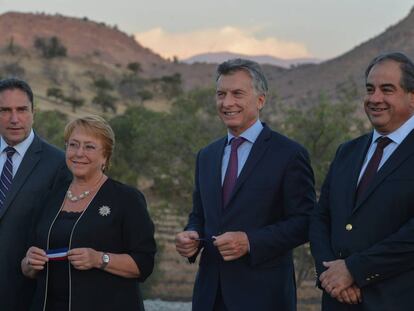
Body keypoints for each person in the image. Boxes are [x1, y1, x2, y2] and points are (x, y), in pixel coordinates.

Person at [175, 58, 315, 311]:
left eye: (237, 93)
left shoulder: (289, 154)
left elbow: (304, 222)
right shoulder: (206, 155)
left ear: (261, 100)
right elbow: (199, 214)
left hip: (264, 297)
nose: (227, 103)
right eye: (221, 94)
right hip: (209, 296)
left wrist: (250, 241)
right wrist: (192, 234)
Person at [310, 51, 414, 311]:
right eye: (370, 89)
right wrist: (331, 277)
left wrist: (354, 270)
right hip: (337, 300)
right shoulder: (347, 151)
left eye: (387, 89)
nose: (375, 98)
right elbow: (321, 217)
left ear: (412, 97)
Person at [21, 115, 156, 311]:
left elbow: (144, 264)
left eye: (89, 147)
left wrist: (99, 259)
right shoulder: (50, 197)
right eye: (73, 145)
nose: (79, 153)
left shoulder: (126, 199)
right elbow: (27, 266)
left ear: (105, 156)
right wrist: (30, 262)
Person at [0, 78, 69, 311]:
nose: (14, 119)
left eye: (21, 109)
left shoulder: (58, 164)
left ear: (33, 112)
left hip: (25, 293)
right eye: (5, 110)